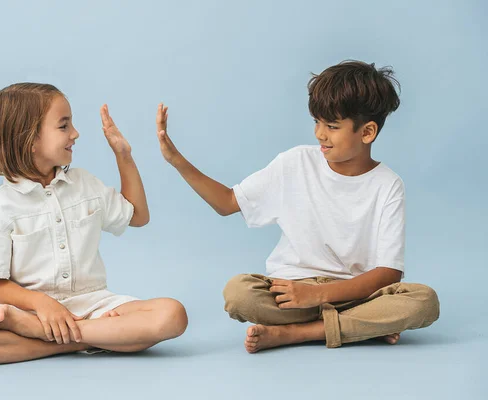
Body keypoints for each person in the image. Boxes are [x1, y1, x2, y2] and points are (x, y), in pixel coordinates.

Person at [156, 60, 439, 353]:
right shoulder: (295, 163)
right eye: (317, 122)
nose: (319, 134)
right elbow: (228, 202)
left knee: (424, 300)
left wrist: (317, 295)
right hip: (290, 292)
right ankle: (359, 327)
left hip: (354, 294)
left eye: (332, 126)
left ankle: (297, 334)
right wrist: (177, 160)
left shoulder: (388, 185)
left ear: (367, 132)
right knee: (239, 293)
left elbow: (388, 274)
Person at [0, 83, 187, 364]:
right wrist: (43, 305)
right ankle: (96, 339)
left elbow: (138, 216)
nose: (75, 133)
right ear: (29, 140)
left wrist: (123, 155)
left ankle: (52, 337)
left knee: (172, 314)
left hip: (95, 306)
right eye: (63, 126)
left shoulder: (84, 184)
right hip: (30, 311)